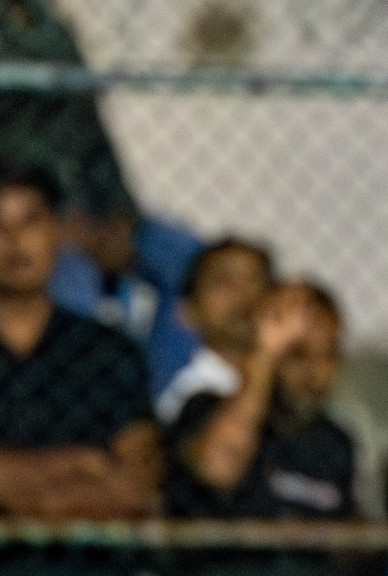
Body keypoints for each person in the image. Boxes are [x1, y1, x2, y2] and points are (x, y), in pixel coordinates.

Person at [0, 161, 160, 576]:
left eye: (30, 221)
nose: (14, 242)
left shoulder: (109, 353)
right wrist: (80, 466)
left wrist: (16, 489)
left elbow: (134, 487)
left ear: (56, 232)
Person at [165, 280, 353, 519]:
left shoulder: (335, 443)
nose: (313, 372)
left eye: (328, 355)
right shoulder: (205, 410)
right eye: (297, 355)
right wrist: (264, 356)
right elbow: (219, 467)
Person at [0, 0, 130, 210]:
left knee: (182, 251)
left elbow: (92, 134)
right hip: (27, 212)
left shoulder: (54, 29)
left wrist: (121, 212)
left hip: (89, 200)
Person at [49, 186, 205, 398]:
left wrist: (135, 234)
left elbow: (198, 267)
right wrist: (77, 253)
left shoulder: (161, 277)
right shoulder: (68, 278)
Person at [155, 238, 276, 425]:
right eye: (223, 281)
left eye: (254, 280)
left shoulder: (286, 384)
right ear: (189, 313)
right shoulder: (188, 395)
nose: (242, 293)